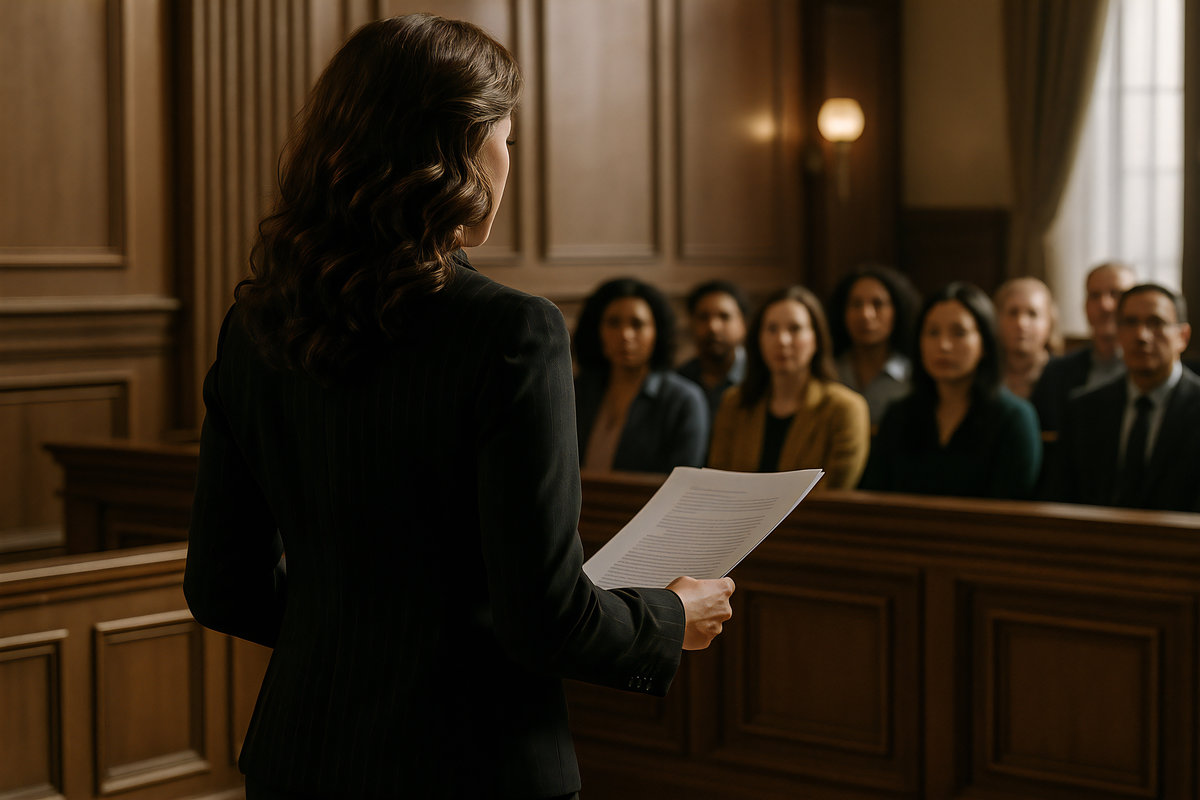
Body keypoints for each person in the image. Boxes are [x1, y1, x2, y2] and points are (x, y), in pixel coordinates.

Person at [182, 16, 734, 800]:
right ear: (461, 149)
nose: (511, 163)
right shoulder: (512, 331)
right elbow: (543, 618)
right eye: (507, 139)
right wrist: (670, 617)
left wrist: (361, 640)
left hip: (301, 759)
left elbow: (221, 586)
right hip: (471, 767)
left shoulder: (255, 325)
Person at [860, 282, 1042, 499]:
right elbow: (873, 497)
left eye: (959, 333)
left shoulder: (1014, 418)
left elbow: (1011, 508)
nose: (944, 345)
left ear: (984, 344)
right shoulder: (899, 414)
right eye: (932, 333)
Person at [1049, 284, 1200, 511]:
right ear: (1118, 334)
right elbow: (1062, 498)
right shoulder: (1084, 410)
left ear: (1183, 336)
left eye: (1156, 322)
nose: (1141, 335)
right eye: (1130, 323)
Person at [708, 286, 870, 489]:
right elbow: (718, 483)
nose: (782, 340)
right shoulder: (734, 402)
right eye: (772, 329)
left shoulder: (845, 408)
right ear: (758, 339)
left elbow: (835, 491)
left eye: (795, 329)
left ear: (816, 338)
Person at [574, 277, 709, 474]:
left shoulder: (683, 400)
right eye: (613, 323)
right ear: (597, 330)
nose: (625, 335)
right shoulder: (578, 391)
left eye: (637, 324)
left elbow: (680, 484)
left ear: (657, 332)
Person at [1030, 261, 1137, 431]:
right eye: (1094, 295)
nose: (1104, 305)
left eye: (1116, 294)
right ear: (1085, 306)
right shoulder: (1056, 373)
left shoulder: (1153, 372)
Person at [827, 264, 921, 427]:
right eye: (856, 304)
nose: (866, 315)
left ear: (897, 310)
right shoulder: (829, 372)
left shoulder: (914, 375)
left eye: (878, 304)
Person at [676, 279, 749, 421]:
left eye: (724, 316)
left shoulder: (759, 376)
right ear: (691, 324)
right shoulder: (680, 380)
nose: (713, 326)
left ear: (743, 324)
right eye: (703, 317)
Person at [994, 276, 1059, 399]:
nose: (1021, 323)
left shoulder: (1064, 377)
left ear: (1050, 322)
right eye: (1013, 312)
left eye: (1032, 313)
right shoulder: (984, 378)